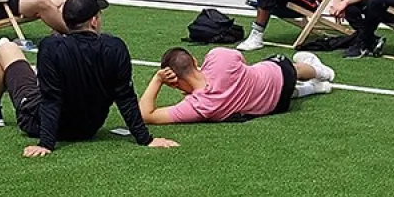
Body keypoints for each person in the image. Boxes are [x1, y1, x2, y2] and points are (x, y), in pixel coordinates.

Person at [0, 0, 179, 156]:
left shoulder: (51, 46)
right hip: (89, 128)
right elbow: (125, 96)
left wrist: (46, 143)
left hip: (38, 122)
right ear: (93, 21)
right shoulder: (115, 47)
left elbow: (51, 99)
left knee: (6, 48)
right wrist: (146, 139)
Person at [139, 45, 335, 125]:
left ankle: (316, 86)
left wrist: (157, 79)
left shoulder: (200, 105)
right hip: (279, 76)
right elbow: (241, 59)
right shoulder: (217, 56)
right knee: (291, 67)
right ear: (194, 60)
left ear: (173, 82)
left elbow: (145, 115)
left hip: (276, 106)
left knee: (259, 94)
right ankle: (322, 72)